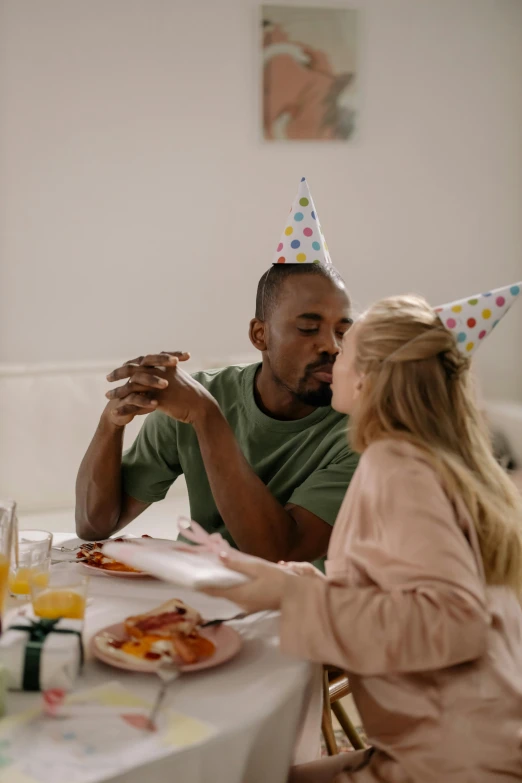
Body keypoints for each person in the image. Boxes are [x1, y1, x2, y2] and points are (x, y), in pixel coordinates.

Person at [204, 288, 522, 782]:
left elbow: (454, 621)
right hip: (465, 741)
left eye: (345, 346)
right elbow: (396, 590)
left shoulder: (396, 464)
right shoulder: (437, 461)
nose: (333, 353)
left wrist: (291, 595)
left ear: (370, 376)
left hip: (454, 762)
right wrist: (289, 581)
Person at [75, 258, 358, 562]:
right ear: (259, 335)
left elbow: (281, 555)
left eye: (343, 332)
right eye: (308, 328)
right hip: (190, 587)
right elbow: (93, 526)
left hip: (288, 602)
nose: (332, 346)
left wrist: (206, 416)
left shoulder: (361, 432)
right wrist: (111, 423)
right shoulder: (197, 399)